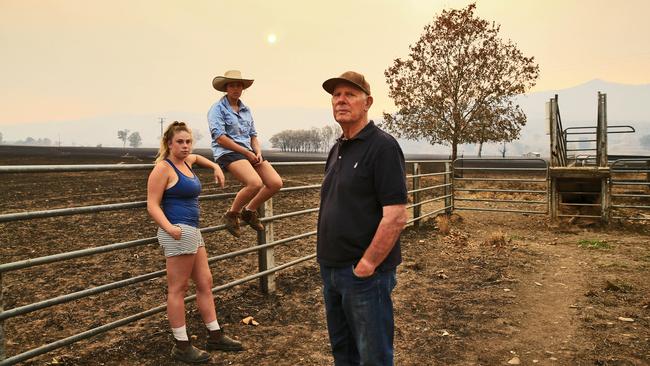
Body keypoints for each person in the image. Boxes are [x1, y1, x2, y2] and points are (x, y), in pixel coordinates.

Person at [317, 71, 408, 365]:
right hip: (332, 271)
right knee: (343, 354)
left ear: (367, 102)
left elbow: (395, 216)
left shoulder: (382, 147)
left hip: (364, 276)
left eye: (350, 94)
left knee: (374, 357)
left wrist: (367, 265)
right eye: (336, 95)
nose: (341, 100)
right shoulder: (337, 148)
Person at [147, 121, 243, 364]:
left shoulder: (187, 162)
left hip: (193, 231)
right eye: (180, 142)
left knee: (205, 282)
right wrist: (170, 228)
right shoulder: (163, 169)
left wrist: (215, 167)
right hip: (179, 231)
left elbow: (199, 159)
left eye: (189, 141)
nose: (186, 146)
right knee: (178, 289)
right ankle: (181, 345)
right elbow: (152, 205)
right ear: (169, 143)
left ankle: (215, 335)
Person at [207, 70, 283, 238]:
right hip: (228, 152)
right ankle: (231, 214)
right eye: (232, 85)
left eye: (239, 85)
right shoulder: (217, 109)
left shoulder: (246, 110)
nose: (236, 88)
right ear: (226, 88)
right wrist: (245, 153)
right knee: (254, 183)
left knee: (275, 182)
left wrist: (257, 151)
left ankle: (249, 211)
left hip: (247, 152)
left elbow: (253, 135)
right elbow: (220, 138)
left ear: (242, 88)